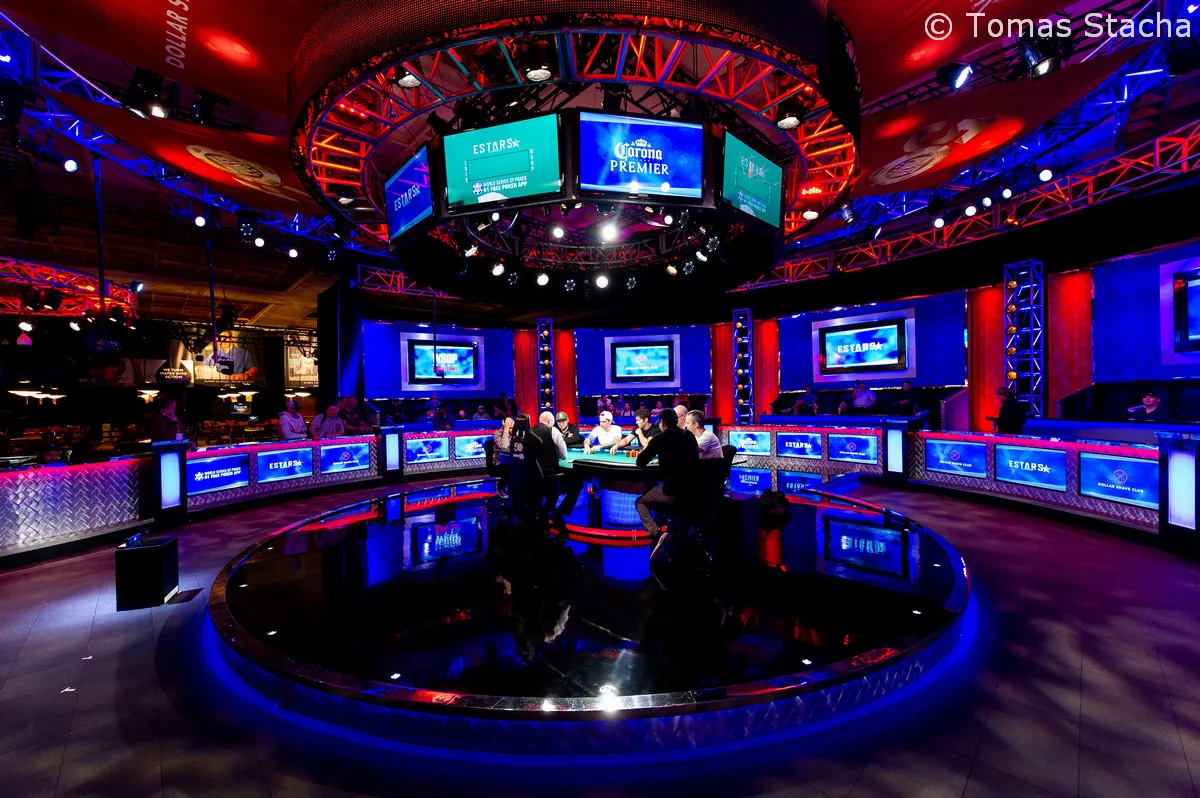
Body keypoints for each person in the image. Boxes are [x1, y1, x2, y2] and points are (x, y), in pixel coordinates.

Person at [634, 409, 699, 550]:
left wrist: (648, 452)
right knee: (657, 491)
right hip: (694, 490)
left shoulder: (661, 437)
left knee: (641, 501)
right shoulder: (689, 435)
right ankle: (675, 527)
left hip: (672, 491)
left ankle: (656, 535)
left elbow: (641, 462)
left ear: (662, 423)